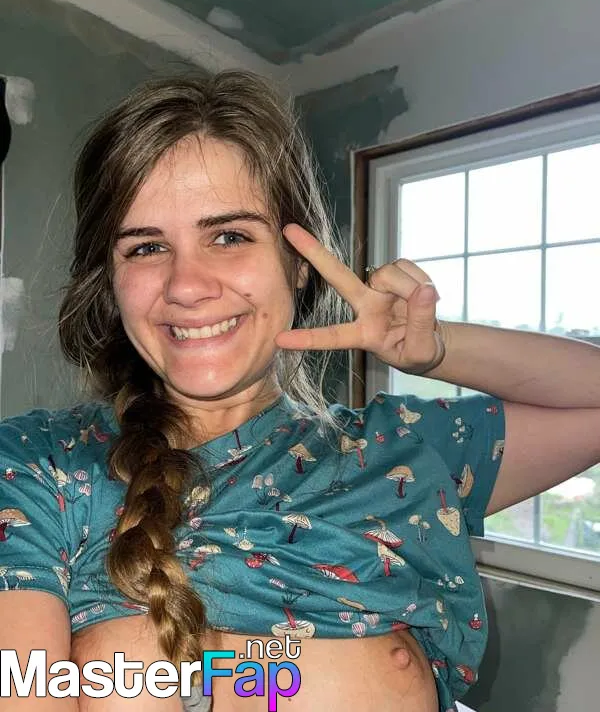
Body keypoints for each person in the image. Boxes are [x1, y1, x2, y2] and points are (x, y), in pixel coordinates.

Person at [1, 70, 600, 712]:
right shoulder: (39, 466)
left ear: (298, 266)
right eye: (146, 247)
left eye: (229, 236)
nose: (187, 285)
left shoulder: (401, 451)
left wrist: (435, 347)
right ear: (110, 280)